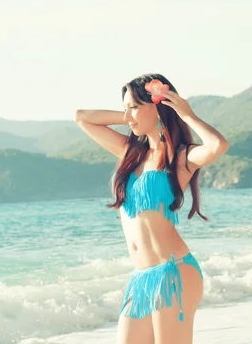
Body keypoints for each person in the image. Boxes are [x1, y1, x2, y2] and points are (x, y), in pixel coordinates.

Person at [75, 74, 229, 344]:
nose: (128, 115)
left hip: (174, 272)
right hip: (141, 278)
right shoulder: (129, 152)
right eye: (126, 107)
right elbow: (82, 117)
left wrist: (184, 113)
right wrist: (131, 115)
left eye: (133, 106)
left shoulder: (180, 157)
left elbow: (217, 145)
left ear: (158, 107)